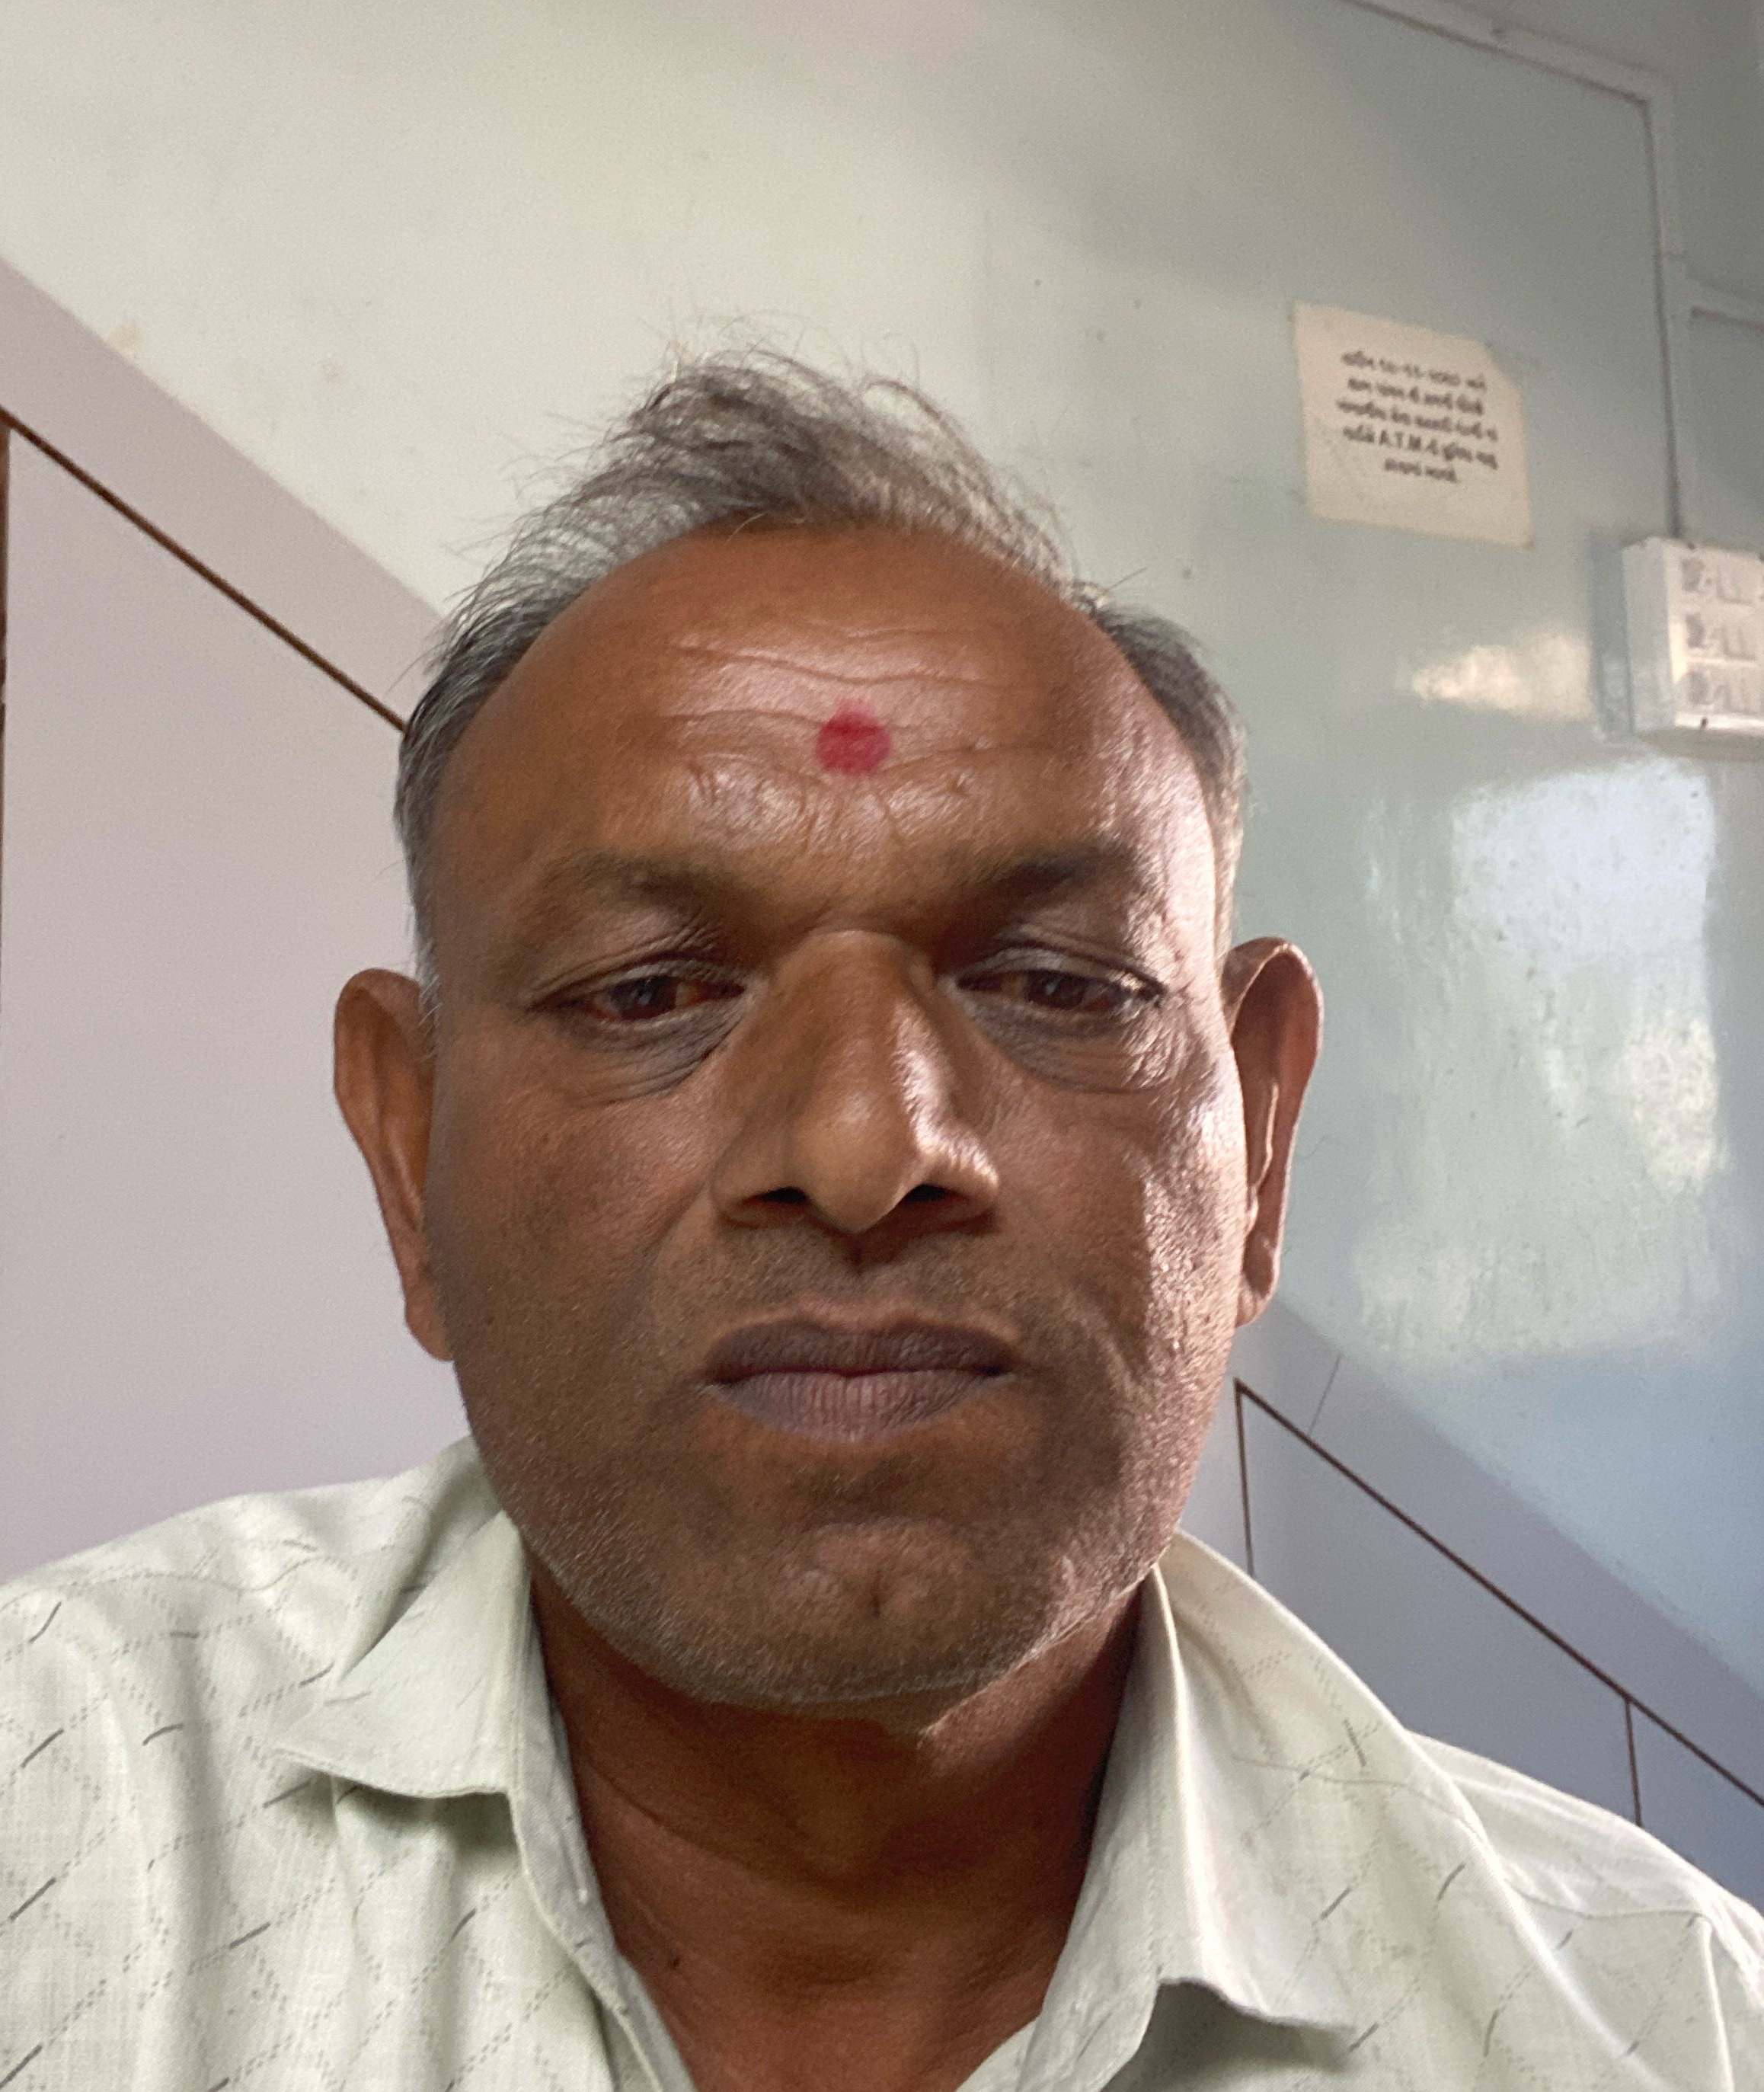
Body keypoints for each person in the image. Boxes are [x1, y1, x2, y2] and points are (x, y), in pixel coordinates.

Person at [3, 357, 1760, 2092]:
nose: (863, 1151)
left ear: (1261, 1141)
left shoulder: (1669, 2032)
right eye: (649, 991)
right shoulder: (55, 1843)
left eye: (1055, 984)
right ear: (409, 1155)